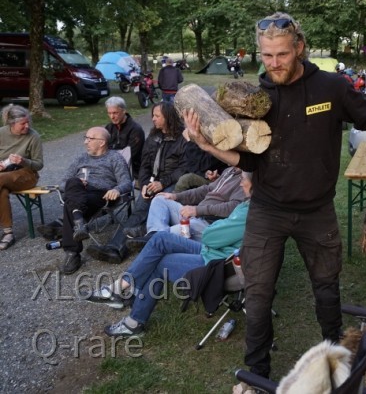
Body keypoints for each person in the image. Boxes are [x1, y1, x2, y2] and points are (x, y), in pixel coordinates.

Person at [184, 12, 366, 379]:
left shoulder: (331, 87)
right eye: (266, 56)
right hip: (267, 210)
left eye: (281, 54)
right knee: (259, 292)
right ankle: (257, 373)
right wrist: (206, 143)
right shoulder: (256, 97)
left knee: (327, 289)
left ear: (299, 47)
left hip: (317, 211)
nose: (274, 64)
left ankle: (336, 362)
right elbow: (246, 156)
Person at [83, 171, 253, 337]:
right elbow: (217, 223)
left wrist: (206, 217)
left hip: (217, 262)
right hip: (214, 249)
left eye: (244, 180)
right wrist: (179, 199)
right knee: (161, 238)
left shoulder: (248, 212)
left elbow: (210, 237)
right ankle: (123, 289)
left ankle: (131, 313)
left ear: (254, 185)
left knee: (159, 262)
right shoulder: (247, 202)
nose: (240, 182)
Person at [87, 102, 191, 264]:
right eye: (153, 115)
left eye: (157, 116)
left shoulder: (183, 138)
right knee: (140, 210)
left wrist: (162, 184)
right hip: (152, 182)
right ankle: (115, 248)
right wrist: (143, 184)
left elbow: (184, 168)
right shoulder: (154, 136)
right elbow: (145, 165)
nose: (153, 119)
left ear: (168, 117)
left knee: (152, 209)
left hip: (173, 183)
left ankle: (123, 246)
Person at [55, 127, 133, 274]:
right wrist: (77, 182)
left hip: (100, 195)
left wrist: (116, 190)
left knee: (69, 205)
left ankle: (72, 252)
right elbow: (63, 183)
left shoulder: (114, 158)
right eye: (86, 138)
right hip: (78, 192)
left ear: (102, 142)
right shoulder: (80, 158)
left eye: (90, 139)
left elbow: (126, 182)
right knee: (73, 182)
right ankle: (79, 221)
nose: (86, 142)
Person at [124, 166, 245, 249]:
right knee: (160, 199)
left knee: (164, 237)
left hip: (210, 225)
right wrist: (176, 196)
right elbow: (206, 189)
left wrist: (197, 210)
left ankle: (152, 238)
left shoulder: (246, 179)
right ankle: (153, 236)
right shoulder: (230, 170)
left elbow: (233, 207)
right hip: (198, 216)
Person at [0, 104, 43, 250]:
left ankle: (7, 233)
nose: (27, 126)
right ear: (12, 124)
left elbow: (39, 164)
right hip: (4, 174)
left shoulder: (33, 136)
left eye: (28, 122)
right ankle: (8, 233)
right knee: (2, 191)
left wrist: (24, 161)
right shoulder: (1, 133)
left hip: (27, 175)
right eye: (22, 124)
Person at [104, 96, 145, 180]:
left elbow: (130, 155)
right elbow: (103, 149)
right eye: (109, 113)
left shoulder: (135, 129)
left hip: (132, 169)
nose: (112, 117)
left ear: (124, 111)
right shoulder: (109, 128)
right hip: (111, 167)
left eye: (115, 113)